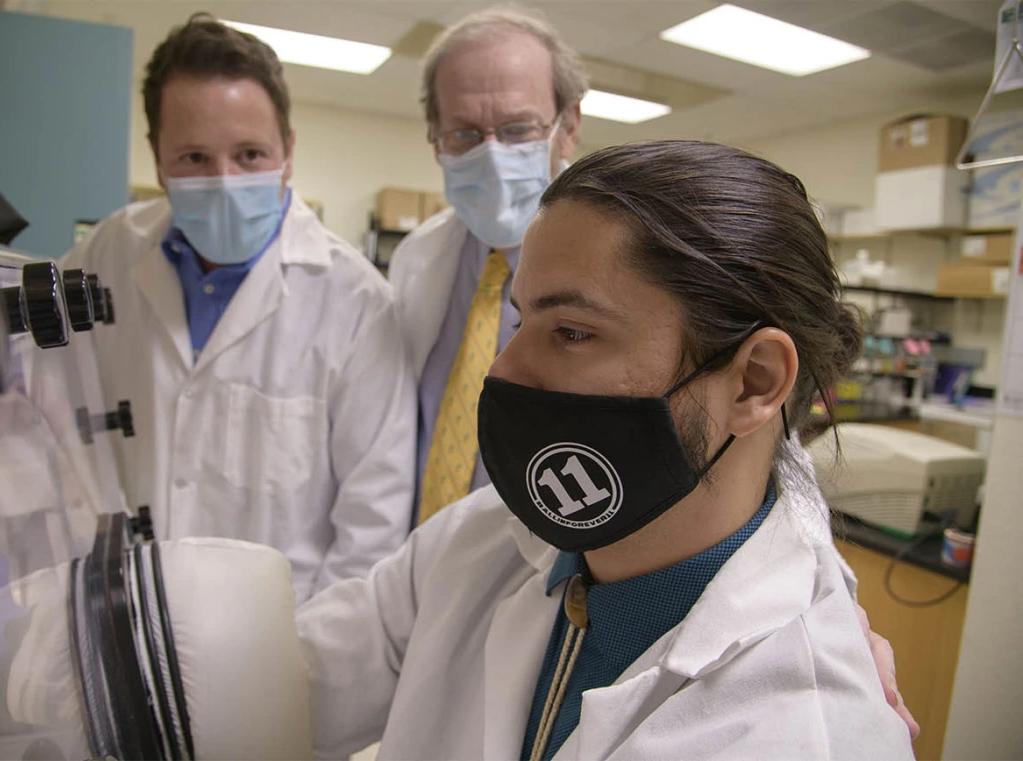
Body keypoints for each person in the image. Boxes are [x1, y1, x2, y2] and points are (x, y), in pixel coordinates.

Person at [296, 141, 917, 760]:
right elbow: (285, 686)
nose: (503, 370)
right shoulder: (482, 543)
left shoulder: (806, 733)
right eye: (521, 324)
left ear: (754, 380)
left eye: (572, 332)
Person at [62, 14, 415, 602]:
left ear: (289, 151)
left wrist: (306, 667)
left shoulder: (358, 303)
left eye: (250, 154)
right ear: (156, 157)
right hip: (126, 614)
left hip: (278, 642)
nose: (225, 182)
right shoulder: (106, 254)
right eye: (195, 158)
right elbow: (39, 391)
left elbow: (370, 531)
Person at [390, 7, 584, 525]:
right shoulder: (416, 258)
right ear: (435, 139)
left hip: (540, 563)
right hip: (412, 554)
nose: (492, 154)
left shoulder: (628, 265)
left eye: (519, 128)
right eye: (465, 134)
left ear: (568, 127)